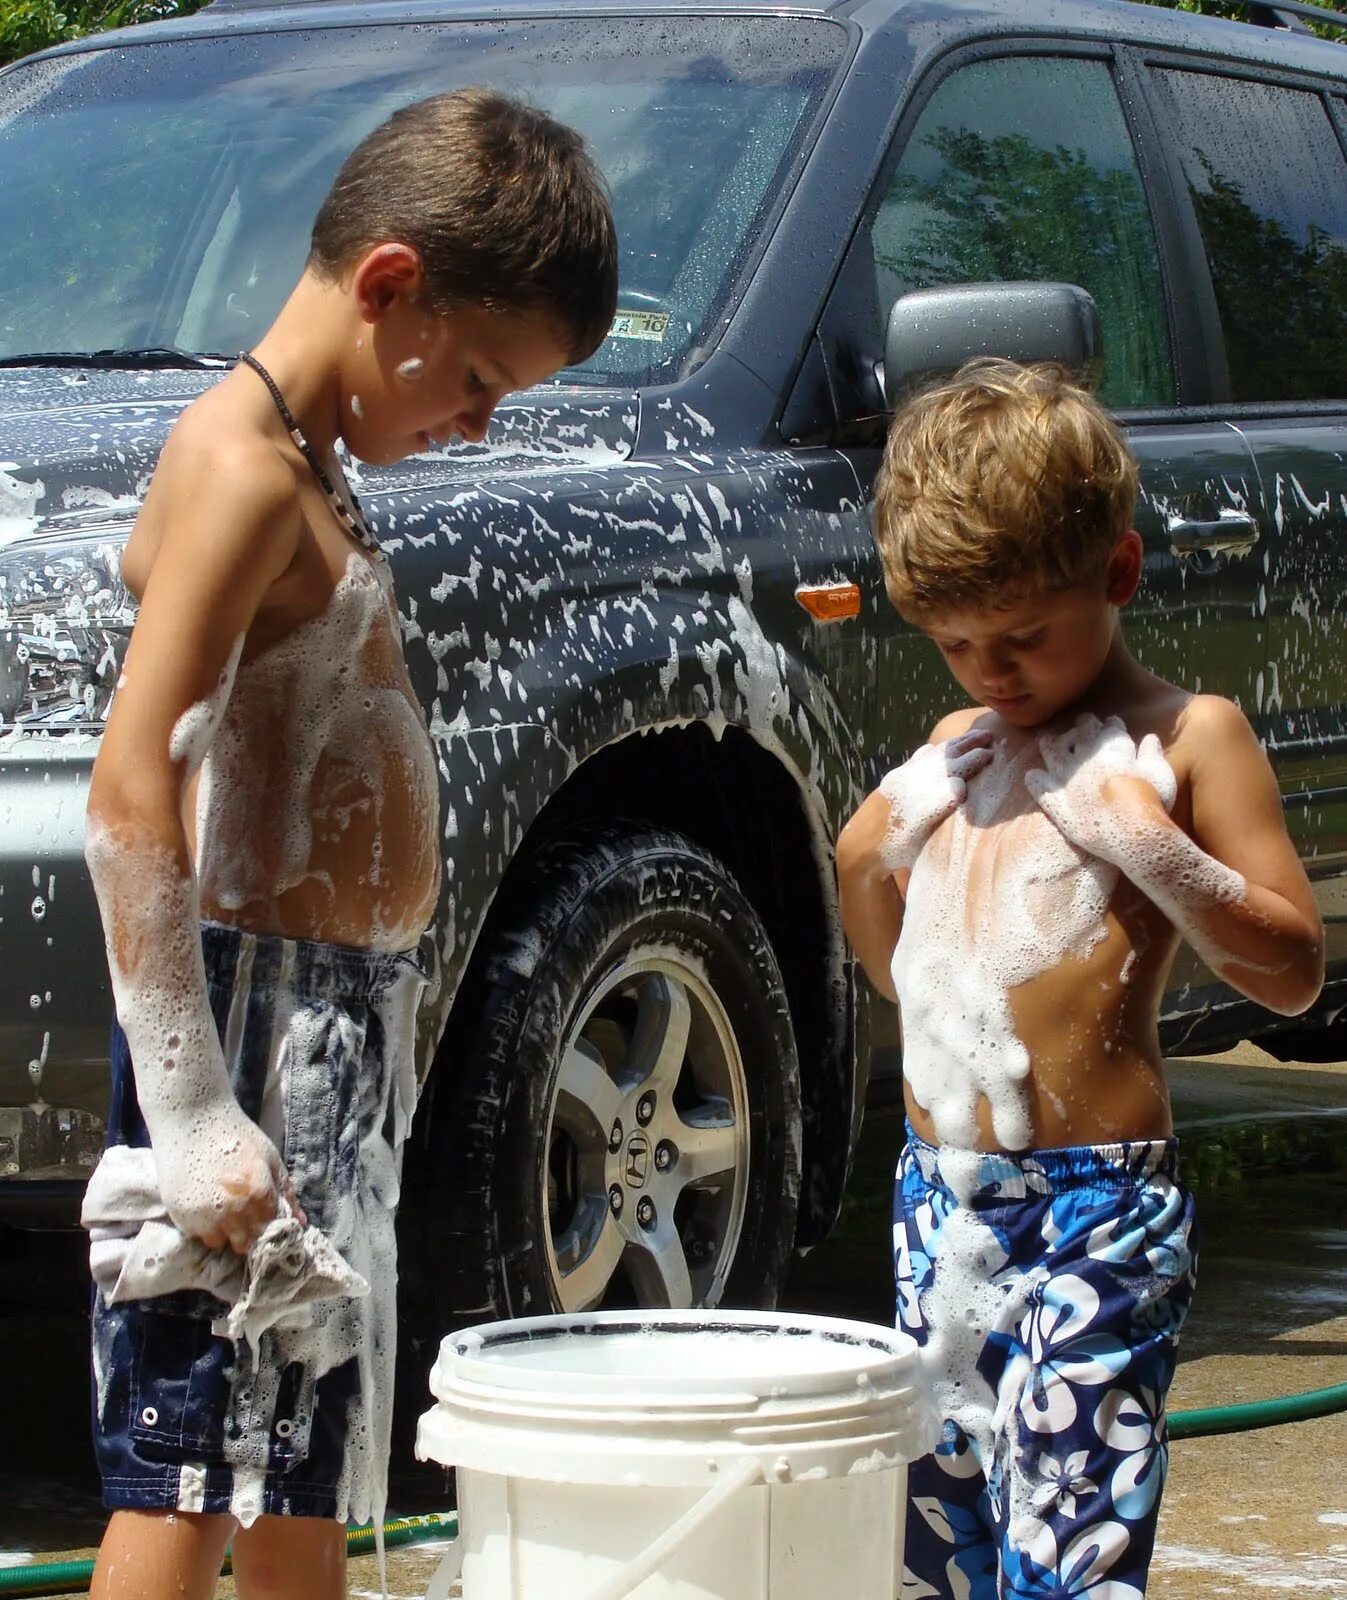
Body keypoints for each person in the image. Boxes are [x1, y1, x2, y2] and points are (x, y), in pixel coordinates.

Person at [79, 87, 617, 1600]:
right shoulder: (249, 470)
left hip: (315, 1021)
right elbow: (130, 784)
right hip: (249, 1025)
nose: (478, 422)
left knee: (301, 1451)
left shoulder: (296, 463)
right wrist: (189, 1113)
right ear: (390, 288)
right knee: (190, 1467)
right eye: (478, 379)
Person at [836, 359, 1323, 1599]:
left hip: (1096, 1210)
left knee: (1072, 1551)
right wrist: (868, 849)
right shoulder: (962, 751)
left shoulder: (1184, 737)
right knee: (935, 1545)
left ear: (1118, 573)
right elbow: (899, 979)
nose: (990, 672)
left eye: (1023, 638)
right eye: (954, 645)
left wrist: (1150, 847)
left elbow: (1294, 971)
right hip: (938, 1201)